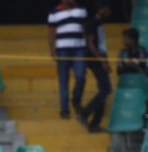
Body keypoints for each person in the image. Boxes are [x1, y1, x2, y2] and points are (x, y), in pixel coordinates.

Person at [47, 0, 88, 119]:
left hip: (79, 49)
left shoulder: (81, 10)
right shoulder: (54, 13)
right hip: (62, 49)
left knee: (80, 76)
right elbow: (51, 33)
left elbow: (86, 29)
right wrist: (52, 50)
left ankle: (76, 100)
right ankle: (64, 110)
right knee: (64, 80)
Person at [77, 3, 113, 133]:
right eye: (108, 9)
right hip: (94, 59)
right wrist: (101, 60)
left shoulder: (99, 23)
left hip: (100, 58)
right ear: (102, 8)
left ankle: (94, 125)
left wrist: (106, 60)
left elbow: (102, 45)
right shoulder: (92, 23)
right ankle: (85, 114)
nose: (109, 13)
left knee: (104, 90)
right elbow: (90, 44)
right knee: (106, 89)